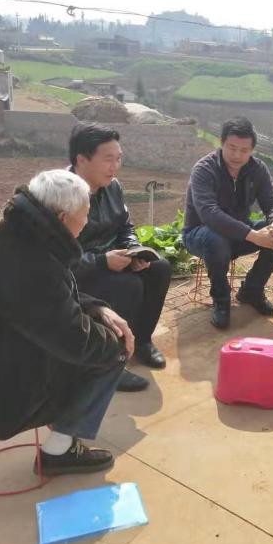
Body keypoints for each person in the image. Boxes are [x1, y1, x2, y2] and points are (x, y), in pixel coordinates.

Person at [0, 170, 132, 476]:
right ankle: (59, 451)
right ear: (63, 217)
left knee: (101, 333)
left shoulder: (16, 233)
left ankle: (61, 427)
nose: (86, 223)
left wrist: (98, 309)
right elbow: (73, 338)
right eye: (85, 215)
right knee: (113, 348)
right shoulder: (27, 263)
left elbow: (54, 297)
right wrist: (119, 342)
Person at [69, 123, 173, 393]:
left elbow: (125, 225)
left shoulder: (112, 187)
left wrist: (134, 250)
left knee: (159, 268)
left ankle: (142, 341)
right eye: (108, 159)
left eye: (118, 159)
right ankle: (110, 361)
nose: (114, 166)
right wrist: (101, 261)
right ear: (82, 160)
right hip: (78, 276)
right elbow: (59, 258)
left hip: (113, 260)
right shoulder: (63, 195)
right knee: (129, 285)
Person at [183, 117, 273, 329]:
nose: (237, 155)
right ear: (221, 143)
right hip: (200, 235)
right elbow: (209, 214)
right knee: (216, 239)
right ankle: (221, 300)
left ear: (252, 150)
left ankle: (252, 290)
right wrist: (253, 236)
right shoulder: (204, 169)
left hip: (240, 233)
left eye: (244, 150)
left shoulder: (257, 169)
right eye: (232, 148)